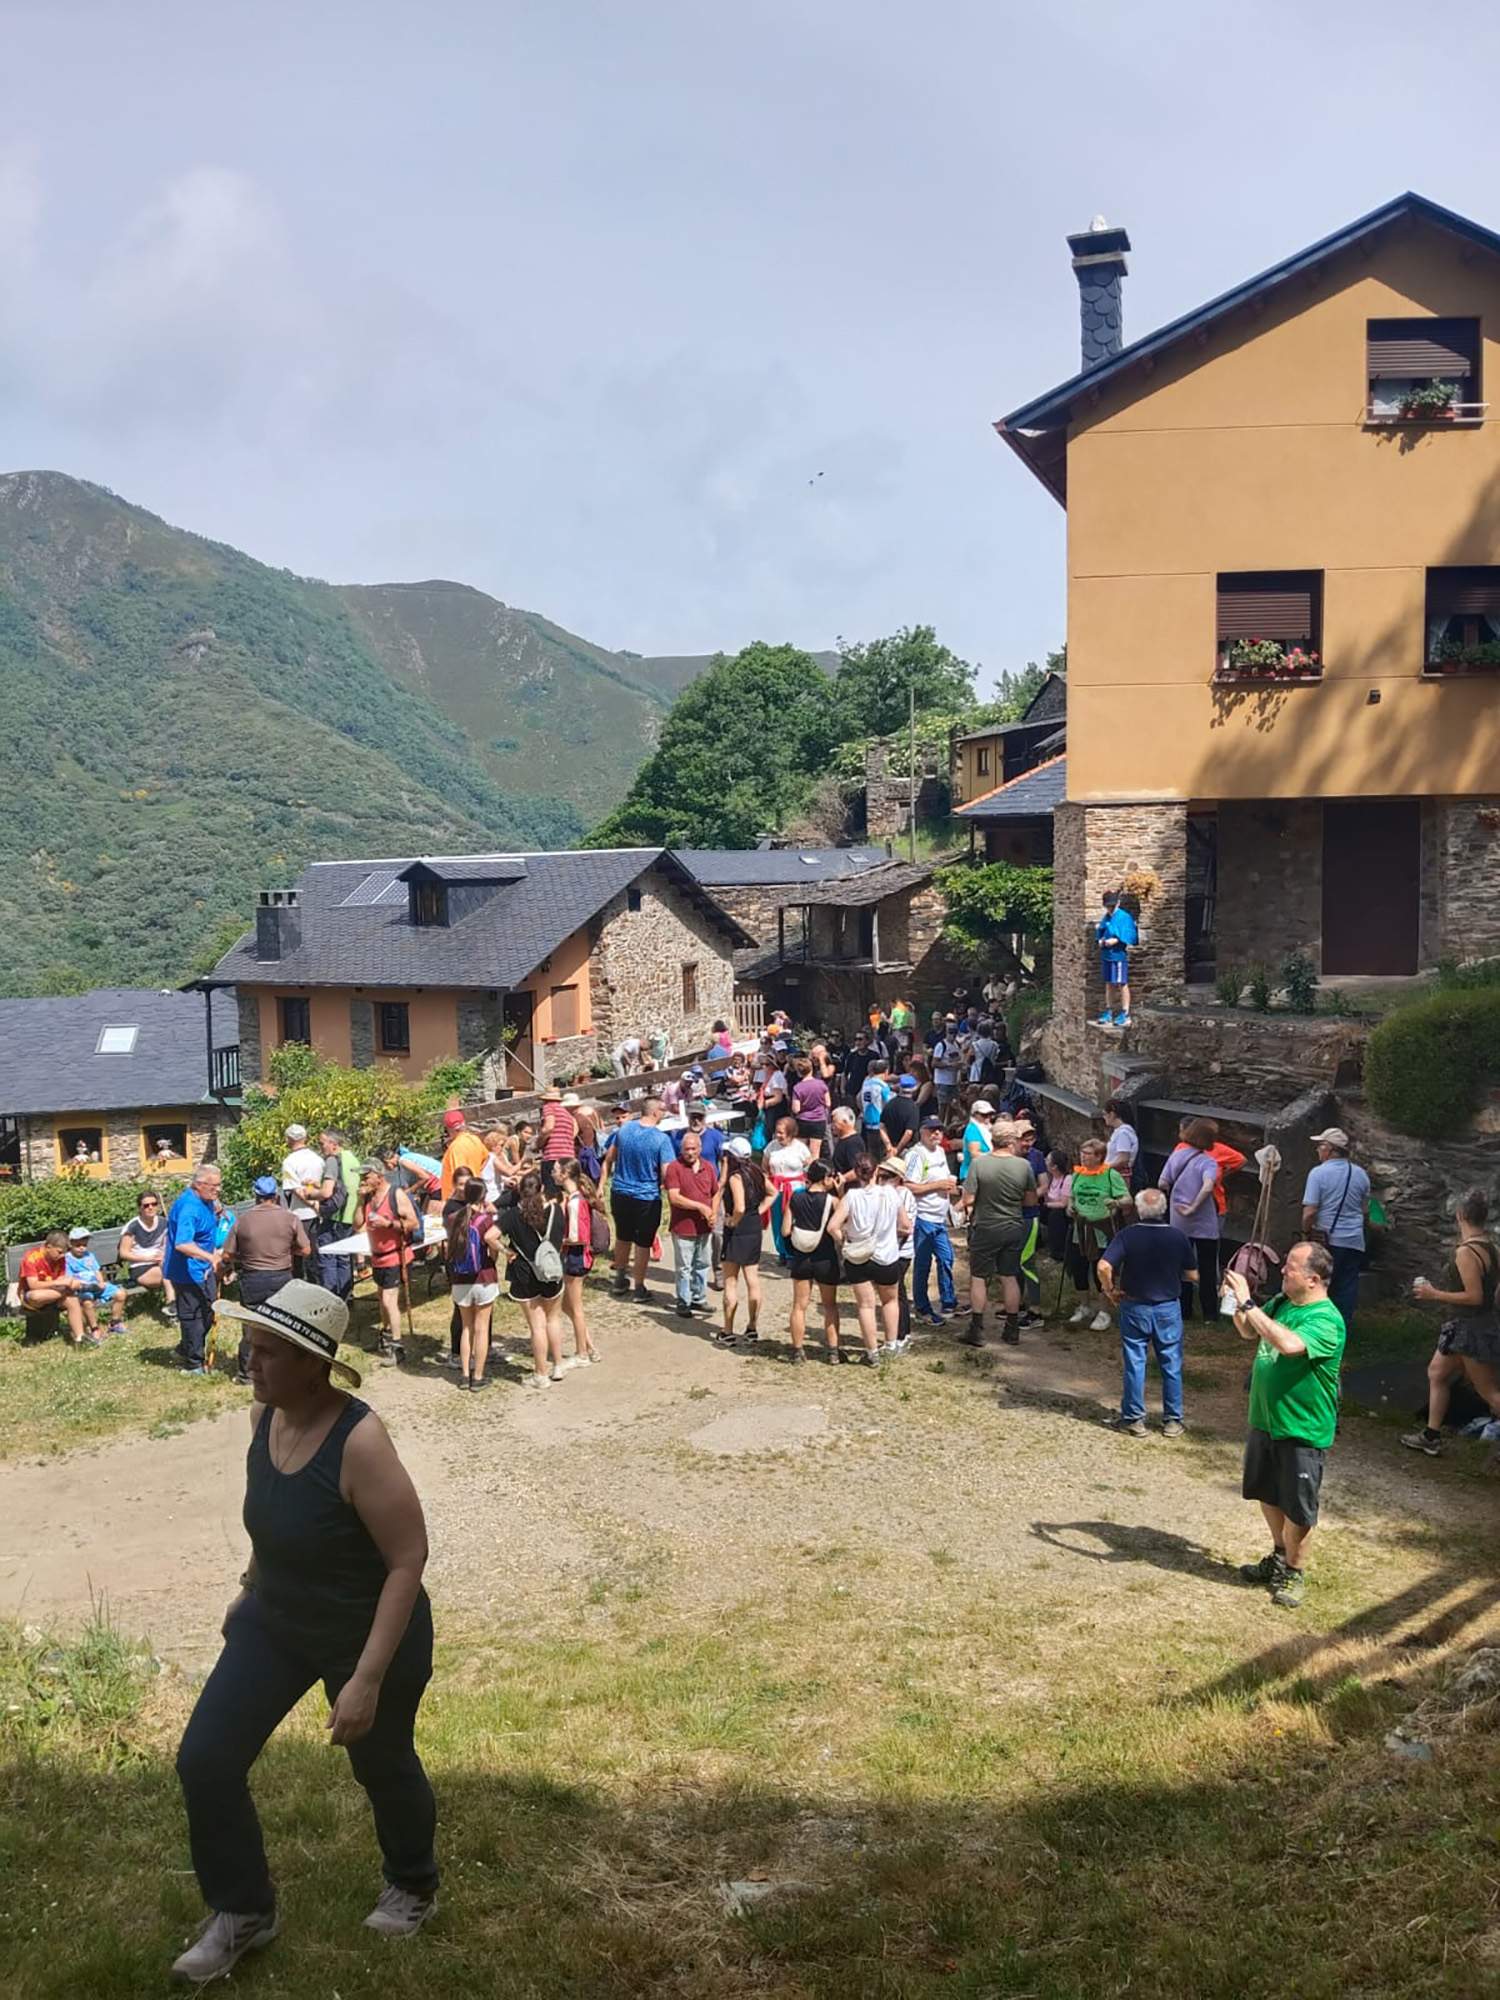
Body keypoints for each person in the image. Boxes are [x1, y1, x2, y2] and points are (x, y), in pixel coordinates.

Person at [172, 1280, 436, 1982]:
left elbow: (407, 1560)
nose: (247, 1364)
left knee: (380, 1762)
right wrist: (249, 1587)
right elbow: (276, 1517)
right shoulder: (265, 1416)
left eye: (263, 1353)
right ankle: (244, 1911)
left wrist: (367, 1680)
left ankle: (412, 1882)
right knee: (206, 1759)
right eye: (248, 1348)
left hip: (369, 1629)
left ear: (313, 1363)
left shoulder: (361, 1441)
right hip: (279, 1617)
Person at [1226, 1243, 1345, 1610]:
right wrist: (1234, 1303)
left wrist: (1249, 1303)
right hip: (1265, 1419)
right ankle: (1279, 1555)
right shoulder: (1282, 1303)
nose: (1282, 1272)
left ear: (1313, 1279)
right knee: (1267, 1493)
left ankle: (1294, 1570)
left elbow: (1289, 1344)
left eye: (1290, 1267)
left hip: (1302, 1427)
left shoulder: (1326, 1318)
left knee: (1298, 1507)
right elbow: (1250, 1333)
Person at [1401, 1188, 1500, 1456]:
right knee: (1437, 1373)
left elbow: (1475, 1296)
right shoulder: (1490, 1246)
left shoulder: (1466, 1253)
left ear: (1459, 1215)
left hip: (1471, 1330)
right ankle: (1431, 1436)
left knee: (1490, 1393)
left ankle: (1431, 1436)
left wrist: (1434, 1294)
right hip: (1466, 1328)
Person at [1097, 1189, 1197, 1439]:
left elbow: (1104, 1265)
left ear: (1140, 1210)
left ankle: (1134, 1418)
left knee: (1135, 1361)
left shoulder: (1128, 1235)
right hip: (1168, 1307)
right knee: (1171, 1363)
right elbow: (1193, 1275)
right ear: (1163, 1209)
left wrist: (1110, 1290)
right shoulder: (1177, 1236)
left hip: (1135, 1305)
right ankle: (1173, 1420)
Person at [223, 1179, 313, 1385]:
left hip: (253, 1278)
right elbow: (306, 1250)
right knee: (283, 1325)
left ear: (255, 1197)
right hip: (281, 1277)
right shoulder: (290, 1218)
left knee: (252, 1327)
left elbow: (227, 1255)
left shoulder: (242, 1220)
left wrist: (244, 1256)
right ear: (277, 1196)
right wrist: (288, 1251)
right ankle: (285, 1368)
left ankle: (247, 1374)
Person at [961, 1121, 1035, 1347]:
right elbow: (1031, 1200)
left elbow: (968, 1199)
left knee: (979, 1277)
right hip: (1013, 1225)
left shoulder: (979, 1164)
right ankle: (1012, 1329)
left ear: (992, 1140)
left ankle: (977, 1329)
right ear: (1012, 1141)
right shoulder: (1023, 1166)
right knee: (1009, 1276)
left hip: (986, 1226)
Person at [830, 1154, 908, 1364]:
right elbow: (905, 1224)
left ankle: (872, 1352)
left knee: (865, 1305)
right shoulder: (891, 1195)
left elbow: (832, 1226)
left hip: (858, 1256)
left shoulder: (851, 1197)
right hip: (886, 1254)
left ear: (856, 1174)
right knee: (890, 1301)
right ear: (876, 1172)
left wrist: (844, 1240)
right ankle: (891, 1344)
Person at [602, 1096, 675, 1303]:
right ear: (654, 1112)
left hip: (620, 1192)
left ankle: (619, 1278)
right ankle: (639, 1286)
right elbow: (666, 1172)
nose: (663, 1114)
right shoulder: (661, 1139)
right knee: (643, 1242)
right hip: (646, 1196)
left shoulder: (624, 1130)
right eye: (662, 1110)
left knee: (623, 1237)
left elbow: (609, 1158)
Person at [498, 1173, 568, 1385]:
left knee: (537, 1327)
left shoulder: (512, 1216)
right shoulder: (556, 1211)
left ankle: (540, 1373)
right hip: (552, 1271)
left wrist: (506, 1251)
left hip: (525, 1274)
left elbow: (489, 1236)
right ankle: (558, 1365)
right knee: (553, 1320)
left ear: (519, 1190)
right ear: (541, 1189)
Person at [1300, 1126, 1370, 1335]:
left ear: (1330, 1149)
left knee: (1320, 1286)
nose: (1317, 1151)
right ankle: (1342, 1330)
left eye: (1320, 1146)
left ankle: (1318, 1330)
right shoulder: (1360, 1174)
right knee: (1347, 1287)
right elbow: (1364, 1210)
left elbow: (1310, 1212)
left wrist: (1305, 1233)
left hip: (1328, 1238)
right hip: (1354, 1239)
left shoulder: (1318, 1174)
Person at [354, 1161, 420, 1368]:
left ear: (379, 1176)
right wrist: (358, 1200)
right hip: (378, 1255)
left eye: (366, 1176)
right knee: (381, 1297)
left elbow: (413, 1223)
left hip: (395, 1255)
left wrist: (389, 1223)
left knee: (389, 1299)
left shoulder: (396, 1195)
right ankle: (386, 1334)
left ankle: (397, 1346)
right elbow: (357, 1225)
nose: (362, 1181)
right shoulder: (368, 1199)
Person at [1159, 1118, 1222, 1322]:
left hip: (1179, 1220)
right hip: (1204, 1221)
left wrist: (1176, 1199)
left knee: (1182, 1265)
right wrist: (1195, 1206)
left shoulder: (1177, 1156)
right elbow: (1208, 1185)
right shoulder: (1208, 1162)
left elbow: (1163, 1182)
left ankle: (1184, 1310)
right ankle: (1210, 1313)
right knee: (1207, 1266)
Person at [443, 1177, 501, 1392]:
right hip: (483, 1276)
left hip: (459, 1278)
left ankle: (465, 1374)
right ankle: (478, 1376)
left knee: (466, 1327)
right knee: (481, 1328)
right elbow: (492, 1246)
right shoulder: (485, 1220)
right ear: (484, 1196)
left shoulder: (452, 1218)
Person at [166, 1164, 225, 1375]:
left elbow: (211, 1211)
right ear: (199, 1184)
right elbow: (182, 1243)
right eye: (214, 1186)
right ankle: (193, 1364)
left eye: (219, 1185)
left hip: (203, 1269)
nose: (217, 1190)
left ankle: (185, 1348)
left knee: (209, 1312)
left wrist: (217, 1211)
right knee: (193, 1317)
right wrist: (211, 1257)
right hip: (186, 1271)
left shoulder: (205, 1200)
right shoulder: (188, 1208)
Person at [1067, 1140, 1129, 1331]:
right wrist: (1070, 1205)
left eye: (1088, 1154)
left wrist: (1116, 1203)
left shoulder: (1110, 1175)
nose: (1083, 1156)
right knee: (1078, 1268)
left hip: (1102, 1230)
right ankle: (1084, 1306)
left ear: (1099, 1156)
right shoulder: (1078, 1174)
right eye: (1082, 1153)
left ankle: (1104, 1311)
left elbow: (1127, 1199)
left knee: (1100, 1271)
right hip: (1081, 1230)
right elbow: (1072, 1196)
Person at [904, 1115, 958, 1327]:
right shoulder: (916, 1155)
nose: (936, 1133)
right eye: (931, 1130)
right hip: (923, 1217)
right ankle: (922, 1307)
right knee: (923, 1264)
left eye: (939, 1130)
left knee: (947, 1258)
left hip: (939, 1218)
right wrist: (937, 1186)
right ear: (922, 1132)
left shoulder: (941, 1151)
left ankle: (948, 1301)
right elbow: (909, 1185)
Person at [786, 1159, 841, 1364]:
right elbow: (844, 1220)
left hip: (801, 1257)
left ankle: (797, 1350)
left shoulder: (795, 1198)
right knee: (830, 1306)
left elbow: (784, 1229)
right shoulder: (832, 1201)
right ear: (826, 1178)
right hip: (825, 1257)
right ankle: (833, 1350)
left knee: (799, 1306)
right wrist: (840, 1190)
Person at [718, 1136, 772, 1345]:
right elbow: (772, 1193)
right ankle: (752, 1327)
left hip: (738, 1230)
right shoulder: (757, 1172)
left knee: (731, 1282)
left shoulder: (735, 1177)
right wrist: (758, 1211)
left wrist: (733, 1220)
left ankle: (728, 1330)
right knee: (753, 1280)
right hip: (753, 1227)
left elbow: (738, 1206)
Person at [664, 1127, 718, 1319]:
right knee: (684, 1266)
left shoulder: (708, 1167)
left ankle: (699, 1297)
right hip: (683, 1226)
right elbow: (674, 1197)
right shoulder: (674, 1168)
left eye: (693, 1149)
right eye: (686, 1149)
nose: (690, 1152)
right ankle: (683, 1300)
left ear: (700, 1148)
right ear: (681, 1149)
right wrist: (699, 1207)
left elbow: (716, 1192)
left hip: (704, 1226)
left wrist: (713, 1211)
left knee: (702, 1263)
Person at [555, 1162, 600, 1365]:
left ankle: (581, 1352)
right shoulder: (576, 1199)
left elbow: (576, 1236)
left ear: (565, 1174)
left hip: (576, 1255)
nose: (553, 1174)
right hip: (577, 1255)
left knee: (575, 1306)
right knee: (567, 1305)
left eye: (556, 1170)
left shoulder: (574, 1203)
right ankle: (589, 1345)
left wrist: (557, 1241)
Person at [18, 1230, 92, 1344]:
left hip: (53, 1293)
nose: (62, 1256)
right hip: (32, 1296)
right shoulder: (31, 1258)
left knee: (72, 1300)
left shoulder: (60, 1258)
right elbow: (33, 1285)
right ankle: (68, 1292)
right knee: (36, 1296)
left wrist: (68, 1283)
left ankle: (80, 1338)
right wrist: (61, 1285)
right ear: (48, 1246)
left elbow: (62, 1278)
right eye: (59, 1252)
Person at [314, 1131, 363, 1301]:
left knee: (327, 1255)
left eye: (322, 1144)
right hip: (351, 1214)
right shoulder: (352, 1158)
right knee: (344, 1257)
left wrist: (311, 1194)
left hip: (336, 1216)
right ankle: (346, 1296)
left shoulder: (332, 1160)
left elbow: (327, 1192)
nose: (321, 1148)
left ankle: (330, 1297)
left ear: (334, 1144)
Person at [764, 1115, 813, 1265]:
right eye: (777, 1132)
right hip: (776, 1189)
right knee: (778, 1220)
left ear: (791, 1133)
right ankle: (782, 1252)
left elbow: (809, 1167)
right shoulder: (771, 1146)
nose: (778, 1135)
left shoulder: (800, 1148)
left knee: (793, 1221)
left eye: (781, 1133)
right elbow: (765, 1166)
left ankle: (793, 1253)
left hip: (795, 1189)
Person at [120, 1189, 176, 1317]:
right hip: (141, 1267)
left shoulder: (163, 1223)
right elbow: (124, 1253)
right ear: (140, 1208)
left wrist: (164, 1254)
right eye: (146, 1205)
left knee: (175, 1268)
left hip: (159, 1263)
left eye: (154, 1204)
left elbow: (167, 1244)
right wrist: (147, 1258)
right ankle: (173, 1304)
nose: (150, 1208)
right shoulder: (133, 1226)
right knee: (170, 1273)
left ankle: (175, 1305)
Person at [64, 1226, 128, 1338]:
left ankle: (115, 1322)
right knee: (87, 1303)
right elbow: (69, 1278)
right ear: (70, 1244)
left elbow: (97, 1270)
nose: (82, 1248)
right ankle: (94, 1328)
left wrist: (101, 1282)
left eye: (84, 1245)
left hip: (96, 1285)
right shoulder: (67, 1259)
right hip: (82, 1289)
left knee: (120, 1294)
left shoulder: (89, 1256)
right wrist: (81, 1286)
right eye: (78, 1245)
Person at [1095, 890, 1138, 1028]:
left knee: (1121, 983)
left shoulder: (1124, 917)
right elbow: (1100, 932)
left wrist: (1117, 940)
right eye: (1108, 906)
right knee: (1109, 983)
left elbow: (1130, 934)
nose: (1110, 909)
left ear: (1118, 903)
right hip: (1107, 955)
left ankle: (1125, 1013)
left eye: (1113, 906)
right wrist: (1101, 941)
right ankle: (1109, 1011)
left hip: (1118, 956)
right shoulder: (1106, 917)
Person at [437, 1109, 489, 1204]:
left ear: (449, 1129)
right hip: (476, 1192)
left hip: (460, 1200)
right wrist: (477, 1172)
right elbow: (486, 1157)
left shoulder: (455, 1148)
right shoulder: (474, 1139)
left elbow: (459, 1177)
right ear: (464, 1123)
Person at [791, 1056, 831, 1157]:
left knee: (800, 1151)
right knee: (815, 1153)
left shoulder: (797, 1088)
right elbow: (828, 1103)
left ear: (799, 1072)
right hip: (819, 1121)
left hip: (803, 1121)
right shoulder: (821, 1084)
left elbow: (796, 1109)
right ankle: (814, 1171)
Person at [537, 1089, 578, 1190]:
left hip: (553, 1155)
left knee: (551, 1191)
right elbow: (575, 1130)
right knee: (566, 1188)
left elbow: (549, 1128)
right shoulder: (567, 1113)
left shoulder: (548, 1107)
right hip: (568, 1156)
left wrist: (539, 1143)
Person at [1040, 1151, 1073, 1265]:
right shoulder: (1050, 1178)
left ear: (1054, 1166)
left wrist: (1046, 1205)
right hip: (1050, 1207)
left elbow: (1064, 1203)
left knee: (1055, 1215)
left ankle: (1058, 1253)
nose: (1045, 1161)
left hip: (1062, 1212)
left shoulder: (1067, 1179)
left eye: (1048, 1160)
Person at [880, 1072, 922, 1161]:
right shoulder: (913, 1107)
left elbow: (881, 1127)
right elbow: (909, 1133)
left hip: (889, 1148)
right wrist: (897, 1150)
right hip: (906, 1150)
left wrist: (888, 1146)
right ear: (914, 1089)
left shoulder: (890, 1104)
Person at [279, 1124, 324, 1202]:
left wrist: (313, 1206)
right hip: (321, 1207)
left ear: (288, 1139)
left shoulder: (288, 1162)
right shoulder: (319, 1159)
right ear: (305, 1138)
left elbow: (295, 1190)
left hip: (299, 1211)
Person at [929, 1017, 964, 1115]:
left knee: (953, 1107)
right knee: (942, 1107)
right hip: (942, 1081)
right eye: (950, 1032)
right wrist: (949, 1065)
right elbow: (934, 1063)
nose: (952, 1035)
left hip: (953, 1081)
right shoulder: (941, 1045)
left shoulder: (956, 1045)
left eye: (954, 1032)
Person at [1102, 1100, 1140, 1189]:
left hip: (1118, 1177)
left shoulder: (1123, 1133)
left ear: (1112, 1114)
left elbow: (1123, 1160)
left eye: (1104, 1114)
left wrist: (1102, 1169)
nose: (1104, 1117)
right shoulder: (1119, 1132)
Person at [858, 1060, 893, 1156]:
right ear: (886, 1071)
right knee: (883, 1153)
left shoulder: (865, 1083)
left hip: (868, 1122)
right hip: (880, 1124)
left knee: (872, 1152)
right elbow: (890, 1103)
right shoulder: (882, 1086)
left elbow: (858, 1099)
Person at [828, 1106, 868, 1185]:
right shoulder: (843, 1139)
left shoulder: (853, 1143)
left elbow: (856, 1171)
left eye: (835, 1122)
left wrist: (837, 1182)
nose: (832, 1126)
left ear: (845, 1122)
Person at [958, 1097, 994, 1184]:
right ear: (975, 1114)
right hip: (971, 1174)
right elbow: (975, 1154)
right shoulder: (972, 1129)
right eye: (984, 1115)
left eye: (990, 1114)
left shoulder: (987, 1127)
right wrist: (995, 1155)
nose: (988, 1117)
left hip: (985, 1172)